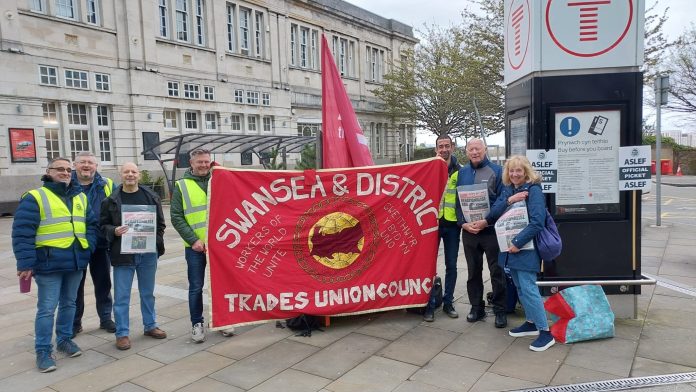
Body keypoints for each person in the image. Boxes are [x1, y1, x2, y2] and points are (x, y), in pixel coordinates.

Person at [13, 157, 97, 372]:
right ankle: (43, 350)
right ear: (48, 171)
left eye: (69, 169)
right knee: (47, 309)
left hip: (76, 260)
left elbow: (91, 225)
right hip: (48, 263)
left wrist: (89, 247)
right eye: (60, 169)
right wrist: (25, 262)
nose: (66, 172)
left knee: (69, 304)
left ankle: (64, 339)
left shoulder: (80, 196)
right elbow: (23, 232)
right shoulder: (35, 197)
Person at [487, 155, 555, 351]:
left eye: (519, 170)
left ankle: (545, 332)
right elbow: (493, 214)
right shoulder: (509, 190)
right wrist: (510, 200)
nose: (515, 174)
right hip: (509, 250)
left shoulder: (534, 190)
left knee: (529, 288)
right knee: (519, 287)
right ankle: (531, 322)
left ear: (526, 172)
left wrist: (517, 242)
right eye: (511, 170)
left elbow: (537, 222)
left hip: (525, 248)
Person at [101, 162, 167, 350]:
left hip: (147, 253)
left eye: (133, 172)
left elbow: (161, 225)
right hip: (123, 254)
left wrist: (154, 241)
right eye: (126, 172)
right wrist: (114, 231)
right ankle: (122, 333)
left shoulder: (151, 196)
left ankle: (150, 325)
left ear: (138, 175)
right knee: (122, 296)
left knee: (148, 293)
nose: (130, 174)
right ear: (120, 175)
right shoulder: (111, 200)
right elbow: (102, 226)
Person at [171, 148, 234, 343]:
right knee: (196, 286)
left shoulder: (219, 179)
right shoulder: (181, 186)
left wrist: (223, 170)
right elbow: (176, 216)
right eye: (200, 162)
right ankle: (196, 323)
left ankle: (222, 320)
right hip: (195, 247)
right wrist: (193, 240)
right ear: (191, 163)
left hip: (220, 245)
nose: (204, 165)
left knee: (223, 284)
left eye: (207, 161)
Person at [455, 138, 507, 328]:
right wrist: (462, 223)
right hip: (469, 232)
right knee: (473, 272)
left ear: (485, 149)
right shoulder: (462, 173)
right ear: (466, 152)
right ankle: (476, 307)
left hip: (491, 230)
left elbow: (503, 200)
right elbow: (458, 202)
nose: (474, 152)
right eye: (471, 149)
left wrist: (487, 220)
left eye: (478, 148)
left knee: (497, 271)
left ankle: (500, 310)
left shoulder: (498, 171)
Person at [72, 152, 115, 337]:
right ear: (75, 165)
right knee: (74, 287)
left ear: (96, 166)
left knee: (103, 284)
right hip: (76, 245)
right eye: (82, 162)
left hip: (101, 244)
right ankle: (75, 323)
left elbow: (120, 206)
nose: (86, 166)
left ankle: (105, 318)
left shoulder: (107, 184)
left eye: (90, 163)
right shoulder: (66, 184)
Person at [424, 134, 462, 322]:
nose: (444, 149)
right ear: (436, 149)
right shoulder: (428, 168)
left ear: (452, 147)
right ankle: (429, 304)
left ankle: (448, 302)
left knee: (452, 265)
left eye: (447, 146)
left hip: (452, 225)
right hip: (432, 224)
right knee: (428, 265)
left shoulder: (460, 170)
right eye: (441, 146)